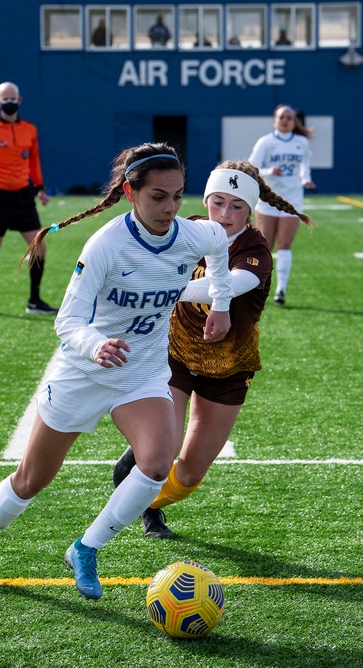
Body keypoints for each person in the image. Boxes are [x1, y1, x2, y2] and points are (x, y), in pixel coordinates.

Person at [0, 143, 234, 600]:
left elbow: (219, 249)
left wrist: (220, 304)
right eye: (158, 196)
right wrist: (97, 344)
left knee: (157, 463)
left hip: (141, 372)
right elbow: (67, 321)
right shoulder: (106, 244)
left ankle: (85, 548)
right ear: (129, 193)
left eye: (178, 196)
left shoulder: (194, 235)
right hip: (82, 370)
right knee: (31, 479)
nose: (171, 207)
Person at [111, 161, 309, 539]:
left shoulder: (256, 250)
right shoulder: (186, 230)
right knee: (162, 448)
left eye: (237, 206)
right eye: (217, 202)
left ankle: (149, 501)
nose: (224, 214)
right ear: (205, 200)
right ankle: (143, 487)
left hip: (230, 365)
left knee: (189, 474)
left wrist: (164, 287)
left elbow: (226, 287)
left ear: (250, 210)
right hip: (177, 352)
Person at [0, 82, 57, 317]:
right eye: (4, 99)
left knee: (39, 246)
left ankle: (34, 301)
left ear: (19, 101)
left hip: (23, 196)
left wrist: (39, 187)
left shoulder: (29, 128)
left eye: (12, 99)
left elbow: (34, 160)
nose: (9, 102)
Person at [247, 104, 314, 305]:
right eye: (281, 117)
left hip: (292, 200)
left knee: (285, 245)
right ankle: (260, 285)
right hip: (268, 200)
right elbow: (252, 166)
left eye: (289, 118)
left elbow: (305, 166)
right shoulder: (266, 142)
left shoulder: (301, 142)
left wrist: (305, 179)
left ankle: (281, 290)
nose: (285, 120)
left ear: (294, 122)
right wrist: (269, 171)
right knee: (266, 246)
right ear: (275, 121)